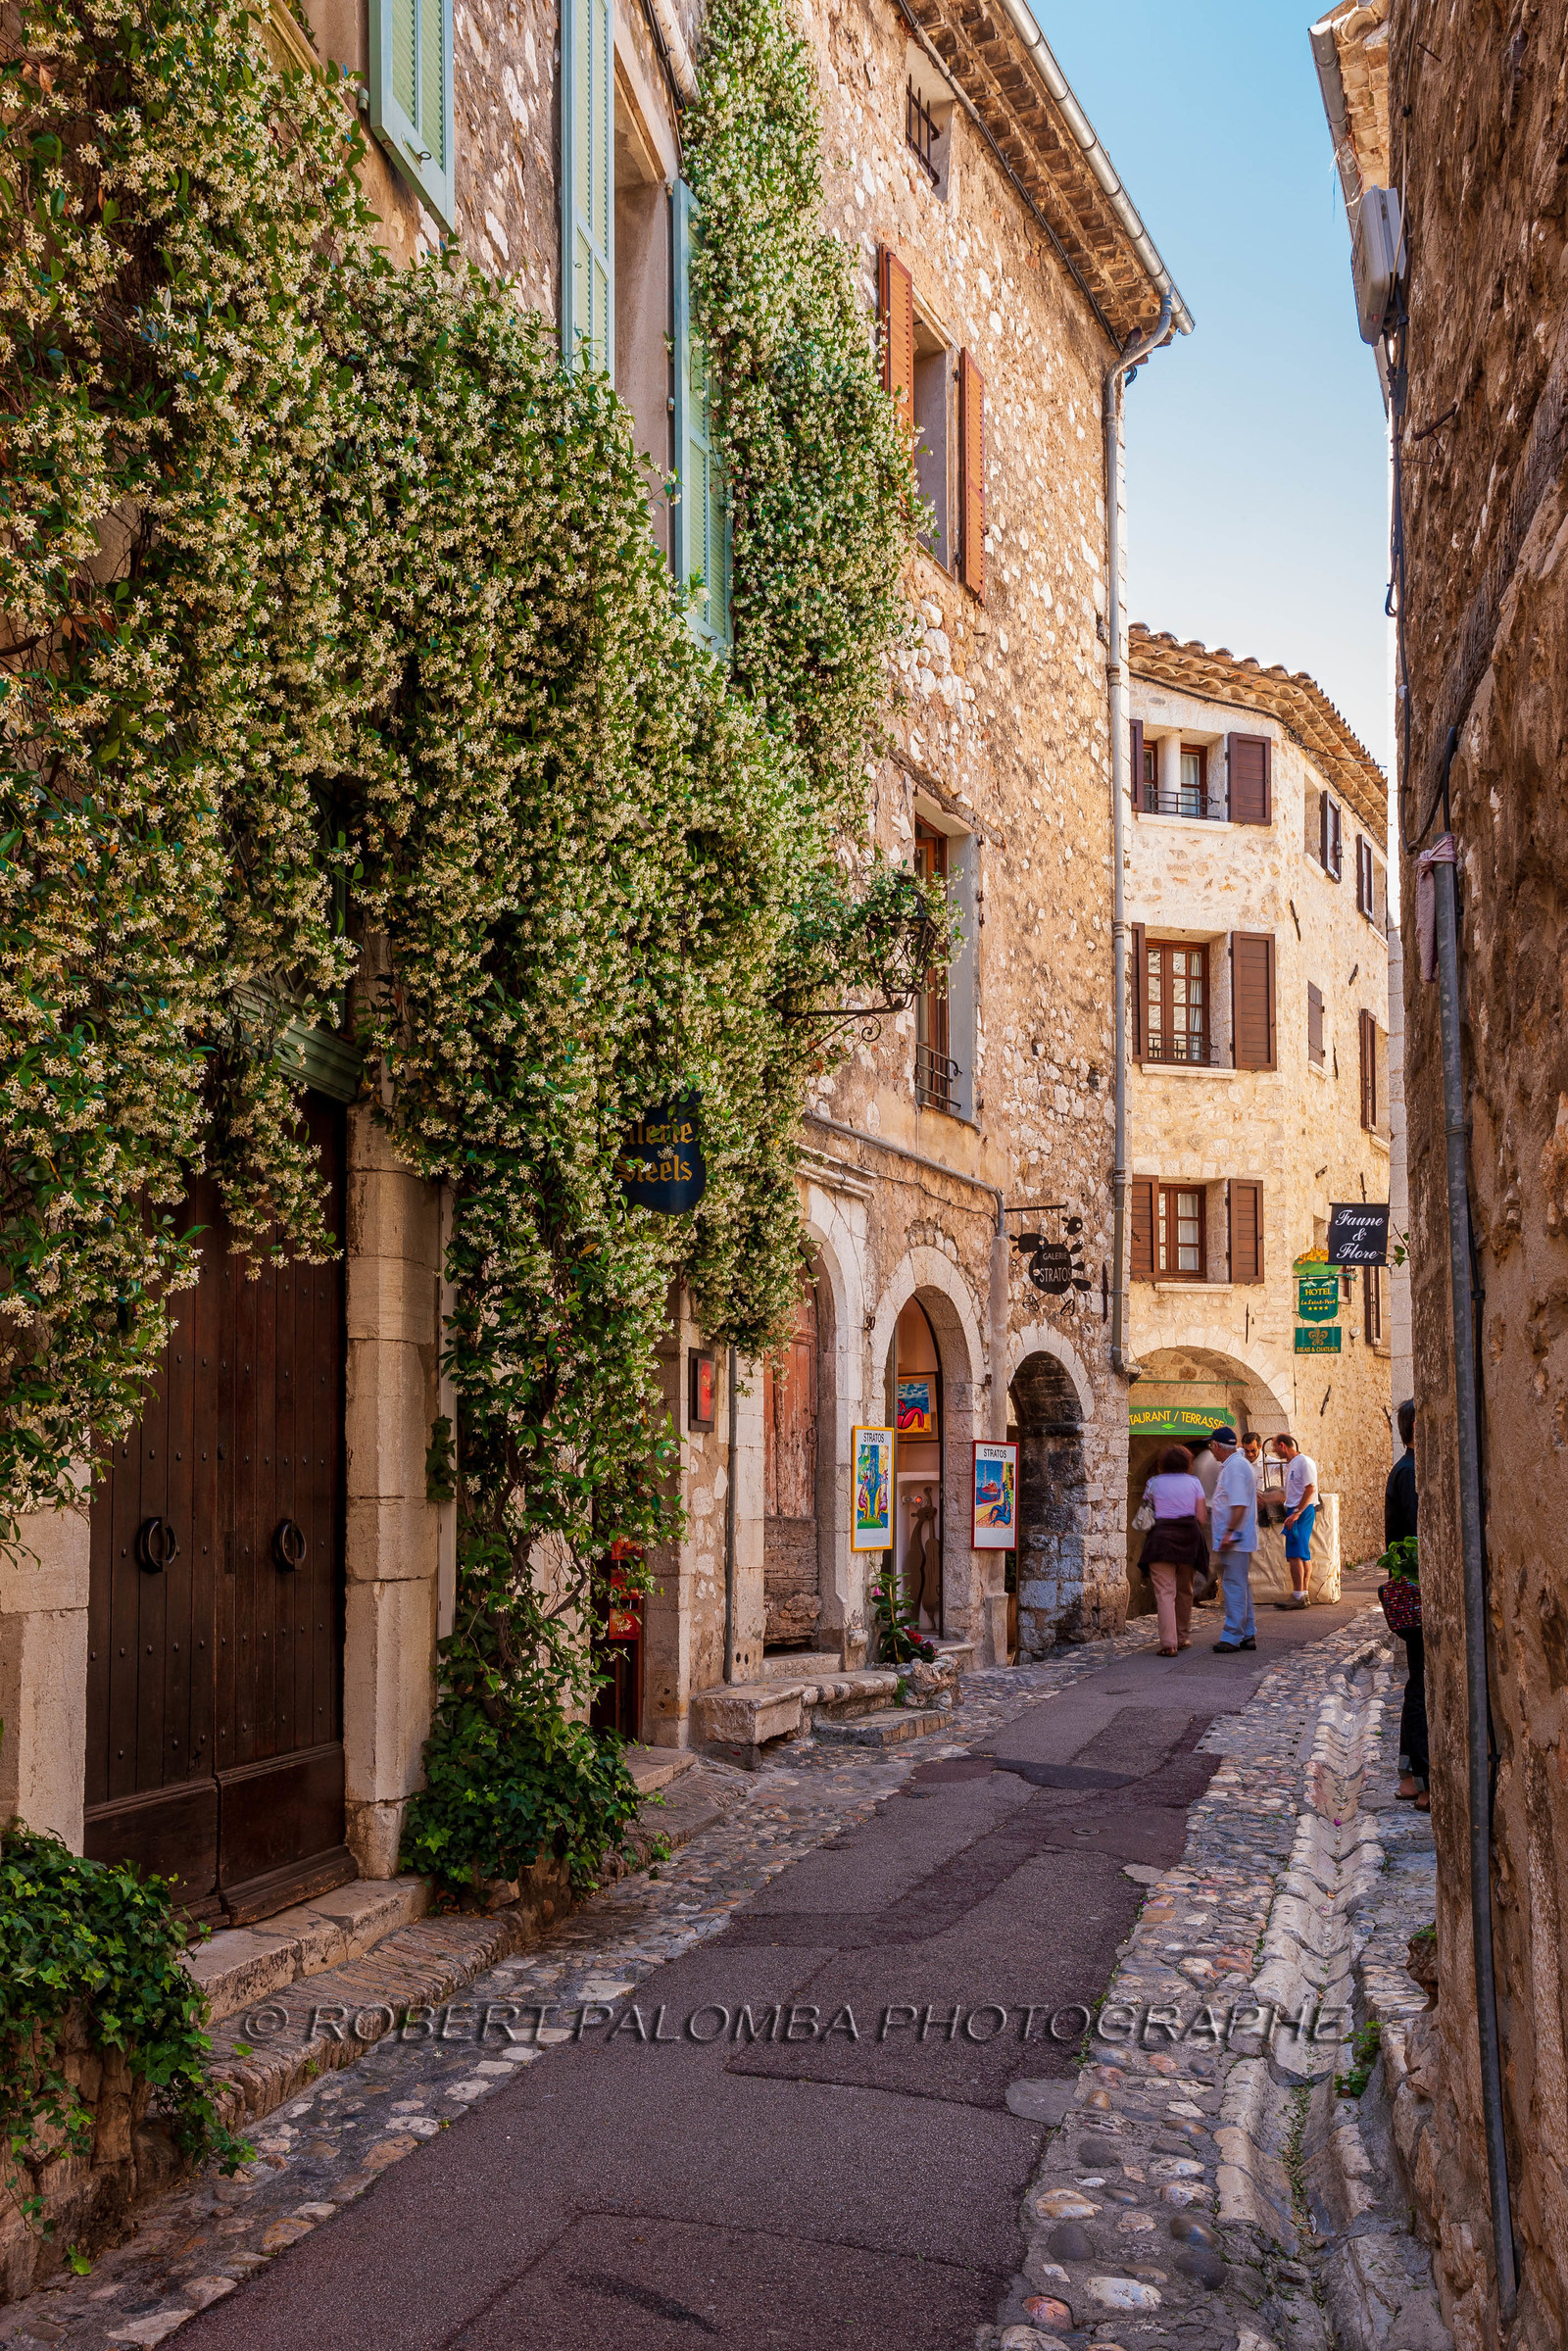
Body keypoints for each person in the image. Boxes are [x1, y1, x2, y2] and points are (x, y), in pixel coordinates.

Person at [1385, 1398, 1427, 1810]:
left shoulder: (1403, 1469)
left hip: (1407, 1591)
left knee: (1418, 1682)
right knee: (1423, 1684)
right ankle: (1420, 1779)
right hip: (1417, 1592)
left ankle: (1410, 1776)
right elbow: (1418, 1536)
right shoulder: (1412, 1473)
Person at [1137, 1444, 1209, 1656]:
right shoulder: (1194, 1483)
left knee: (1165, 1592)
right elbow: (1201, 1517)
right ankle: (1182, 1636)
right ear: (1187, 1463)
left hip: (1161, 1540)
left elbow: (1145, 1513)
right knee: (1185, 1590)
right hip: (1188, 1539)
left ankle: (1169, 1643)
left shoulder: (1153, 1483)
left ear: (1163, 1463)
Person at [1209, 1426, 1259, 1652]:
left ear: (1217, 1446)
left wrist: (1229, 1532)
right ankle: (1247, 1633)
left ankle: (1232, 1635)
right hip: (1237, 1537)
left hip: (1235, 1538)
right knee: (1240, 1585)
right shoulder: (1237, 1465)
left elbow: (1239, 1504)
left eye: (1211, 1445)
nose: (1211, 1449)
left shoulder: (1235, 1468)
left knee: (1234, 1586)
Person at [1272, 1433, 1318, 1607]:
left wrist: (1296, 1513)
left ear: (1283, 1445)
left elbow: (1310, 1489)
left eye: (1275, 1446)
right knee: (1302, 1554)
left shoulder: (1304, 1462)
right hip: (1298, 1510)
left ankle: (1298, 1595)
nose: (1275, 1450)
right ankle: (1303, 1593)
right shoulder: (1293, 1464)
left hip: (1301, 1511)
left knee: (1295, 1555)